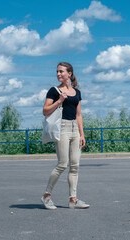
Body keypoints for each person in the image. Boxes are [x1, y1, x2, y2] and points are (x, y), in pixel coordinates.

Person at [41, 62, 90, 210]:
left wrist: (82, 134)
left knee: (75, 165)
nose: (58, 74)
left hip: (75, 128)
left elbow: (79, 114)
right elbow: (45, 110)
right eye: (57, 72)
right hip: (62, 128)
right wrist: (59, 101)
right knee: (62, 164)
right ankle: (46, 196)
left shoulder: (77, 92)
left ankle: (73, 199)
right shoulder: (54, 91)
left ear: (69, 73)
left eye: (61, 71)